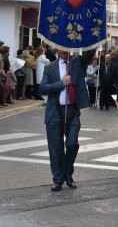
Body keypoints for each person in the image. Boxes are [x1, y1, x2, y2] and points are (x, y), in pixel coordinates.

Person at [39, 48, 95, 191]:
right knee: (56, 148)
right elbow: (42, 88)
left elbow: (89, 53)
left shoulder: (77, 62)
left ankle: (68, 174)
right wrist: (61, 83)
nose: (64, 50)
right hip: (55, 112)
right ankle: (58, 179)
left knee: (71, 144)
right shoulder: (49, 68)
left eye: (66, 48)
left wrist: (96, 31)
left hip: (73, 110)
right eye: (61, 48)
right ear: (56, 50)